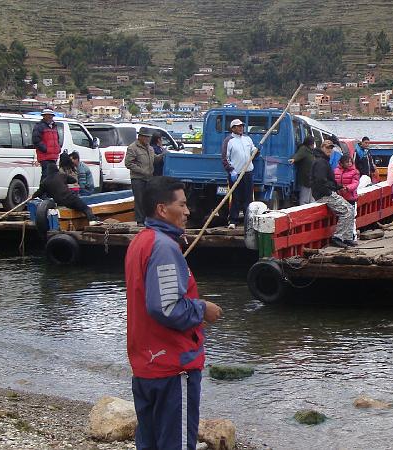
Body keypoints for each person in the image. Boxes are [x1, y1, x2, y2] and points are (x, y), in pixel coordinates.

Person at [125, 176, 222, 450]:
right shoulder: (164, 247)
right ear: (162, 209)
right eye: (182, 204)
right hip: (172, 368)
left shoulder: (140, 242)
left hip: (146, 364)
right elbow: (166, 307)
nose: (188, 211)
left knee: (149, 443)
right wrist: (203, 309)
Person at [310, 140, 356, 248]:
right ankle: (337, 237)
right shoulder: (320, 162)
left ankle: (347, 237)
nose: (329, 150)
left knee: (350, 209)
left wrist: (338, 186)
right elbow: (320, 181)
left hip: (327, 192)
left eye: (331, 148)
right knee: (346, 211)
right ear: (322, 147)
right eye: (327, 147)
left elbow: (328, 180)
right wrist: (330, 190)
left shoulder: (323, 161)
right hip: (324, 194)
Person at [33, 153, 101, 225]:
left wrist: (32, 196)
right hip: (70, 198)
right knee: (86, 208)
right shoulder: (61, 175)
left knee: (74, 206)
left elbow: (39, 192)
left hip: (60, 202)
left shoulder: (45, 182)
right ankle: (92, 220)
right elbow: (73, 180)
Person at [221, 119, 257, 229]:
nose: (241, 128)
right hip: (235, 174)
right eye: (238, 126)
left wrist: (256, 150)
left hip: (248, 173)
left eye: (242, 126)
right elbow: (225, 158)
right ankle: (233, 220)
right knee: (235, 198)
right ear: (233, 128)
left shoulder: (247, 139)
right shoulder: (229, 141)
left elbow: (252, 151)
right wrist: (231, 170)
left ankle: (249, 220)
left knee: (248, 198)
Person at [126, 127, 163, 226]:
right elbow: (128, 163)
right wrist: (142, 171)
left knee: (148, 199)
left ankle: (148, 220)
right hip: (137, 179)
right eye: (146, 137)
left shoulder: (150, 148)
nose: (148, 139)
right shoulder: (132, 148)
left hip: (149, 178)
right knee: (139, 200)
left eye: (149, 137)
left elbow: (154, 159)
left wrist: (162, 155)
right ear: (140, 137)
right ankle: (140, 221)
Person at [32, 108, 60, 181]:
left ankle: (49, 191)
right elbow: (36, 140)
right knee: (46, 175)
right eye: (48, 115)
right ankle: (44, 191)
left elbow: (57, 139)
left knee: (53, 176)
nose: (50, 117)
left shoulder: (54, 126)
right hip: (45, 156)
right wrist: (46, 149)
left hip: (53, 156)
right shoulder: (39, 126)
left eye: (51, 116)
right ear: (44, 116)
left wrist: (58, 149)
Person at [289, 136, 316, 205]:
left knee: (311, 198)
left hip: (311, 178)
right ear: (310, 144)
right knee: (304, 198)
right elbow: (298, 155)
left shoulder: (311, 151)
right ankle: (304, 209)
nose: (313, 145)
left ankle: (310, 210)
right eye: (313, 143)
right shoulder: (304, 149)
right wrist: (294, 159)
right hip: (305, 178)